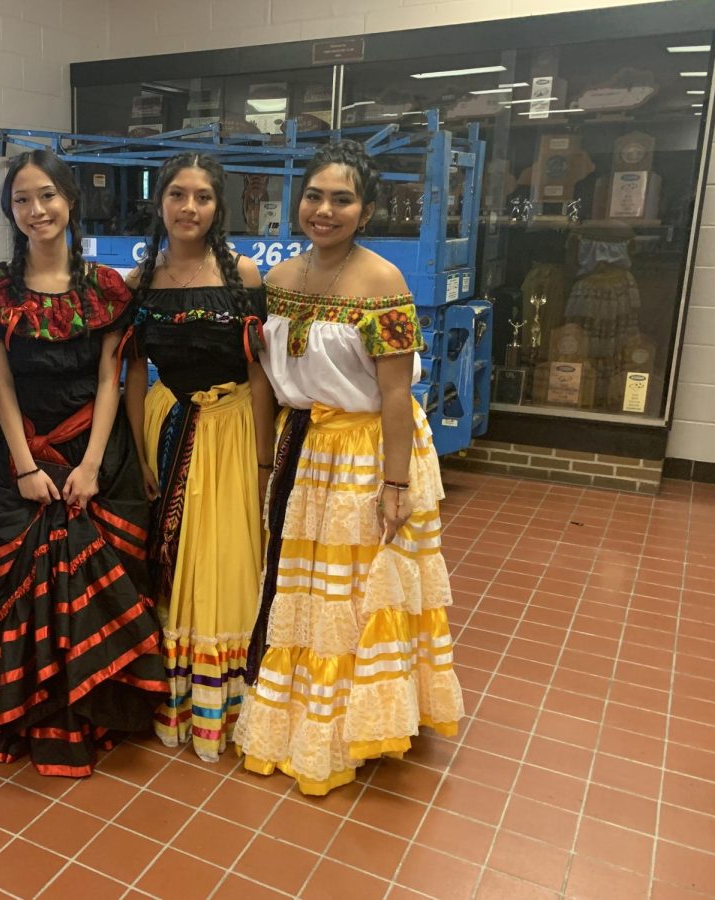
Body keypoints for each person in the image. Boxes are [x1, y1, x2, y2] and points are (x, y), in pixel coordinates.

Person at [235, 140, 464, 796]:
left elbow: (396, 394)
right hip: (304, 448)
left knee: (358, 592)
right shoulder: (276, 283)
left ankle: (356, 722)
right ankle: (301, 713)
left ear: (365, 209)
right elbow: (265, 381)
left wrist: (394, 485)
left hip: (368, 451)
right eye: (314, 196)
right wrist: (261, 460)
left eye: (342, 199)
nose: (325, 210)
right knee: (303, 590)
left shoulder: (383, 281)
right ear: (296, 201)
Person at [0, 149, 166, 777]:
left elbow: (111, 378)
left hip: (93, 457)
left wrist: (93, 465)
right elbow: (2, 385)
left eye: (47, 195)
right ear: (9, 210)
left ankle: (96, 710)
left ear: (70, 200)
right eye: (21, 199)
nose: (36, 210)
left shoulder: (106, 288)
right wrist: (24, 467)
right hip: (21, 454)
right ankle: (24, 708)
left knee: (105, 579)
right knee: (7, 579)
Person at [123, 152, 275, 763]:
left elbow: (260, 374)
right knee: (172, 559)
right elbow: (133, 373)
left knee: (227, 560)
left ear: (219, 206)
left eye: (203, 197)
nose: (190, 208)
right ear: (159, 202)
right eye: (178, 195)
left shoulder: (243, 275)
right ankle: (174, 692)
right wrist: (138, 452)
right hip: (170, 424)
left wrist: (263, 462)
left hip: (233, 431)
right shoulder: (140, 282)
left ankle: (228, 704)